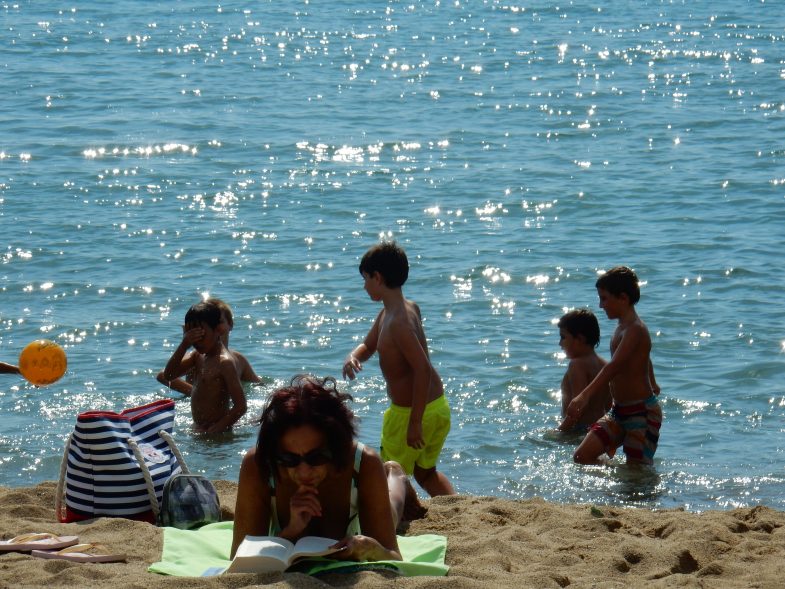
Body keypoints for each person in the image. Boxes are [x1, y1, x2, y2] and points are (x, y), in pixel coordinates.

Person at [232, 375, 425, 561]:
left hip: (361, 494)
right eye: (288, 459)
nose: (303, 471)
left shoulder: (363, 464)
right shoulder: (260, 464)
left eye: (316, 457)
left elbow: (392, 555)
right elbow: (239, 558)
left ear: (337, 448)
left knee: (392, 511)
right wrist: (290, 531)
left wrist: (371, 549)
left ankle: (395, 475)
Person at [342, 241, 455, 497]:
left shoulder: (398, 324)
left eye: (366, 279)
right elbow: (368, 345)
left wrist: (414, 422)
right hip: (436, 408)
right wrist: (353, 356)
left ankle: (401, 514)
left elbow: (422, 370)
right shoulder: (397, 311)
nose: (364, 286)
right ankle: (454, 505)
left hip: (411, 415)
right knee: (425, 472)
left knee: (392, 472)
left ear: (378, 278)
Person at [562, 266, 662, 465]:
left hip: (641, 412)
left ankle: (639, 488)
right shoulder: (620, 328)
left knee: (637, 471)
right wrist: (653, 380)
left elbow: (614, 366)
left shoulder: (635, 329)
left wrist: (584, 396)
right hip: (618, 412)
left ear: (623, 298)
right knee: (582, 456)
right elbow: (644, 356)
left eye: (605, 298)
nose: (600, 305)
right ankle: (617, 479)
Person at [161, 300, 247, 433]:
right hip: (198, 429)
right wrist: (184, 345)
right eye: (192, 336)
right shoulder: (197, 357)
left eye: (201, 335)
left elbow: (241, 406)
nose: (196, 342)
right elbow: (169, 375)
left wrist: (216, 429)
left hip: (218, 434)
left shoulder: (225, 363)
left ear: (218, 330)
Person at [157, 297, 262, 395]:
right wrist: (196, 393)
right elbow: (163, 375)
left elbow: (259, 387)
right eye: (209, 323)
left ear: (230, 324)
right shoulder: (198, 356)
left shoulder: (239, 360)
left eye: (219, 322)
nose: (215, 326)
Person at [556, 309, 612, 432]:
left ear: (580, 339)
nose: (560, 343)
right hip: (600, 428)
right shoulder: (605, 366)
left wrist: (559, 432)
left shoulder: (577, 365)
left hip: (579, 429)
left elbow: (578, 409)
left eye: (563, 337)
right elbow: (609, 405)